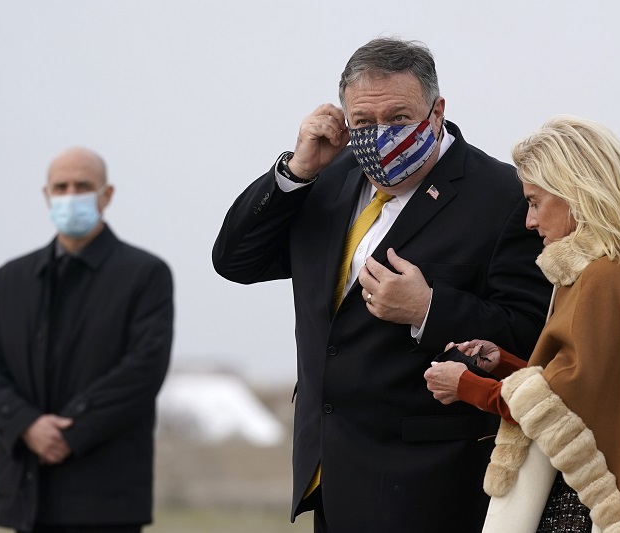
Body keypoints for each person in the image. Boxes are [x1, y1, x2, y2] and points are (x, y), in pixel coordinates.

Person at [212, 37, 551, 532]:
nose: (381, 136)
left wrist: (429, 310)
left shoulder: (503, 195)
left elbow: (529, 333)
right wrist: (296, 170)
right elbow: (237, 260)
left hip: (430, 484)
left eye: (398, 118)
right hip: (329, 470)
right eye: (364, 123)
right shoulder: (330, 175)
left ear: (437, 112)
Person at [425, 116, 620, 532]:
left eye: (535, 202)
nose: (529, 221)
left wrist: (465, 386)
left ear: (576, 193)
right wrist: (501, 363)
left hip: (586, 502)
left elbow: (561, 406)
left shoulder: (601, 276)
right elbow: (593, 389)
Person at [0, 147, 174, 533]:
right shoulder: (12, 278)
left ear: (106, 195)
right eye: (60, 186)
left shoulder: (145, 275)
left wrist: (70, 431)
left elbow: (144, 369)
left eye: (83, 186)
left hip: (105, 495)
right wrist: (27, 425)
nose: (70, 195)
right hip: (26, 494)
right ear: (46, 195)